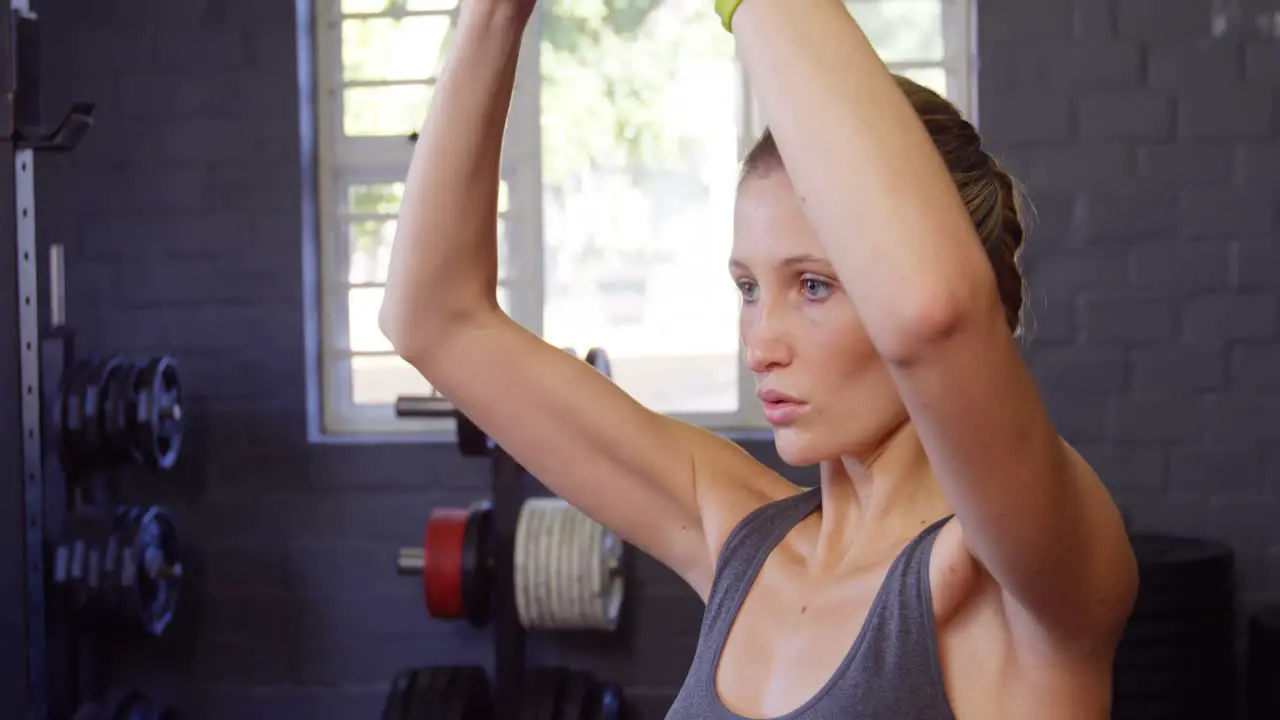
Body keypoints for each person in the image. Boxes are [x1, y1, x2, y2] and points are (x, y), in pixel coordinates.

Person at [378, 0, 1139, 716]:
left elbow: (932, 315)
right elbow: (434, 323)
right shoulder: (739, 536)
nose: (760, 344)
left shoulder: (1022, 572)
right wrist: (494, 12)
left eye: (813, 285)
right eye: (748, 287)